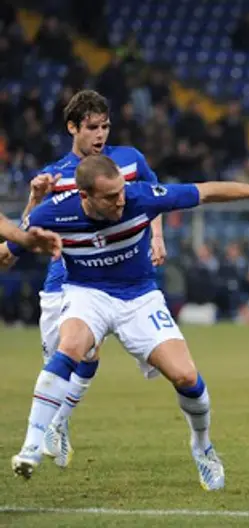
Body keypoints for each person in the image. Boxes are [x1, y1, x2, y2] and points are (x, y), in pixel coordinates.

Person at [4, 154, 249, 487]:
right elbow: (10, 251)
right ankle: (30, 448)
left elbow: (206, 191)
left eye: (121, 191)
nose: (121, 200)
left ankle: (202, 447)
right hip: (87, 293)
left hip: (139, 297)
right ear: (85, 197)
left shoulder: (140, 196)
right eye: (111, 196)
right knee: (70, 347)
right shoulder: (53, 212)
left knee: (186, 376)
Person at [20, 89, 166, 469]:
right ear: (73, 128)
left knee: (89, 352)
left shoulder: (129, 160)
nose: (100, 135)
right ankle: (55, 423)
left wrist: (159, 237)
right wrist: (35, 198)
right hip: (65, 281)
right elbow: (26, 231)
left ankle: (59, 425)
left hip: (115, 280)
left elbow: (157, 196)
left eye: (105, 126)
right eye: (92, 127)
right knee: (67, 359)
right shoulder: (58, 174)